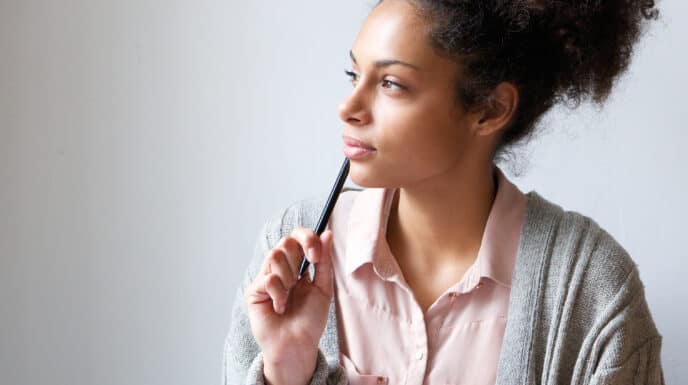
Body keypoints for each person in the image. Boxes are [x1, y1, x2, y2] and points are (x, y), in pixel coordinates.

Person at [223, 1, 662, 384]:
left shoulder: (592, 289)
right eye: (353, 74)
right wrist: (288, 369)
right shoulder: (291, 253)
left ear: (490, 108)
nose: (348, 107)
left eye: (391, 83)